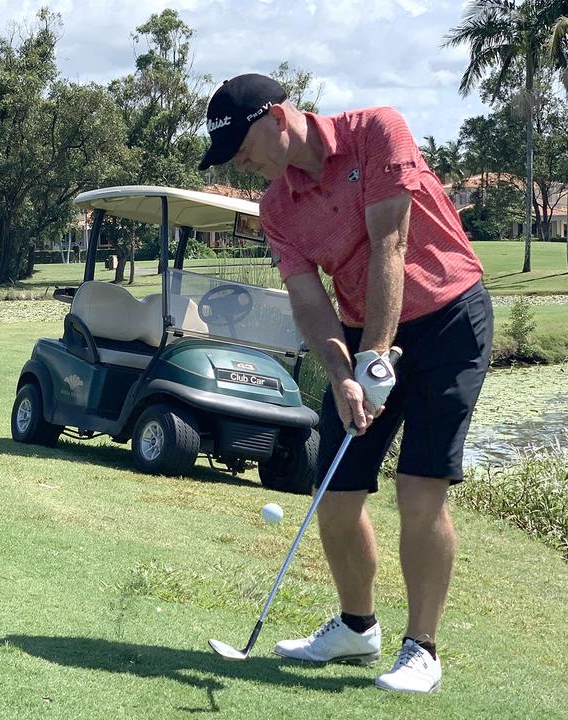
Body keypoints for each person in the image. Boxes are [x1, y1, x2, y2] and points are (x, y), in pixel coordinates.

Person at [199, 74, 493, 694]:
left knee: (419, 488)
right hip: (360, 332)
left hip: (448, 320)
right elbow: (309, 302)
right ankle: (358, 628)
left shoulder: (377, 132)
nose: (243, 163)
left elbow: (392, 245)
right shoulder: (278, 207)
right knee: (335, 493)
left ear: (277, 116)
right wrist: (342, 374)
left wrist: (377, 359)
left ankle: (422, 649)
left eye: (243, 146)